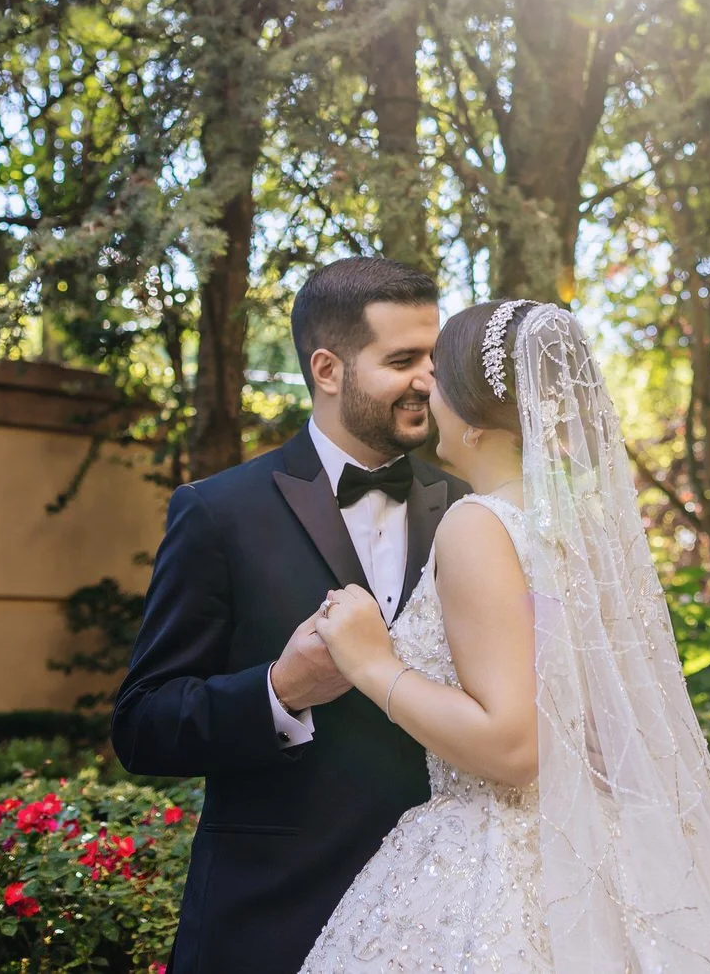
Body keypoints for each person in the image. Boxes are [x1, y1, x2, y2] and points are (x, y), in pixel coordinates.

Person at [297, 299, 710, 974]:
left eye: (438, 374)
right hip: (598, 851)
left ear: (472, 409)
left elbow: (514, 747)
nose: (426, 388)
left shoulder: (476, 525)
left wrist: (370, 662)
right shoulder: (577, 537)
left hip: (496, 857)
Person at [113, 257, 466, 974]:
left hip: (446, 918)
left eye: (434, 355)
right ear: (328, 369)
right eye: (402, 359)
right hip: (270, 921)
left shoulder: (473, 510)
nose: (428, 379)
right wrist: (279, 690)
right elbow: (143, 723)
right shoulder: (218, 512)